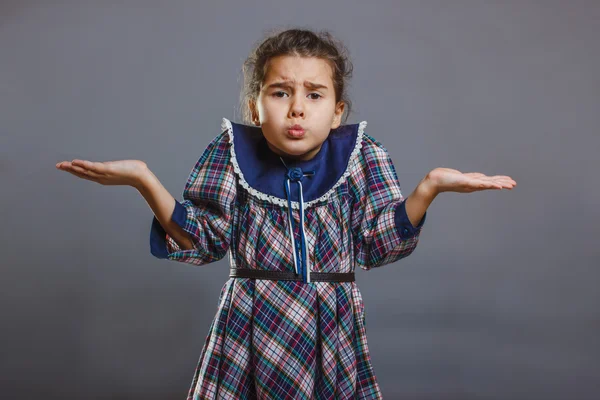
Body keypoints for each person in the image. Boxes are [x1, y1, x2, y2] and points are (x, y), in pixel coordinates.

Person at [56, 28, 516, 400]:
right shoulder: (230, 153)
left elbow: (379, 245)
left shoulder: (361, 156)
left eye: (314, 95)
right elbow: (203, 240)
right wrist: (144, 180)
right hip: (249, 326)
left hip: (330, 330)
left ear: (337, 112)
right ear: (256, 107)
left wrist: (429, 187)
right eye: (280, 93)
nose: (297, 107)